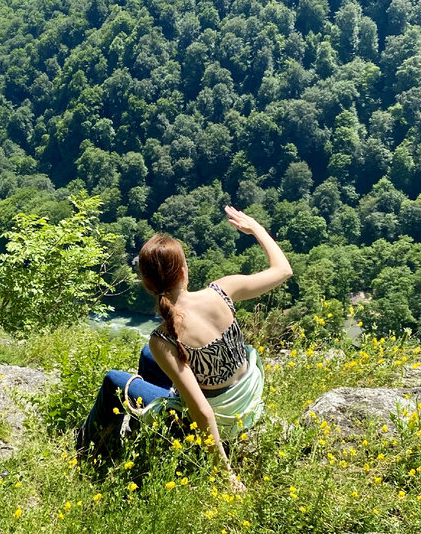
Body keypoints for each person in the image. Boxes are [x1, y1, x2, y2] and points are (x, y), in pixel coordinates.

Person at [76, 206, 292, 484]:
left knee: (112, 381)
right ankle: (145, 433)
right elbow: (283, 269)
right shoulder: (222, 290)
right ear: (183, 271)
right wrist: (255, 229)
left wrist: (225, 475)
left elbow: (202, 410)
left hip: (223, 416)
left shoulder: (163, 338)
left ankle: (87, 451)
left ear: (147, 284)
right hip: (248, 395)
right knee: (146, 356)